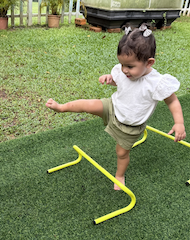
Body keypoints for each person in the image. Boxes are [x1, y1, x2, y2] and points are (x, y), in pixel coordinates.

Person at [45, 24, 186, 190]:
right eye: (122, 65)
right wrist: (110, 79)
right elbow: (121, 83)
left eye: (130, 66)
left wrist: (179, 123)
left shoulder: (157, 83)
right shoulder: (123, 70)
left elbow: (172, 101)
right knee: (87, 104)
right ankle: (61, 107)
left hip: (129, 125)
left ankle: (119, 176)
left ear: (149, 63)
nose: (124, 70)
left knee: (121, 153)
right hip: (112, 107)